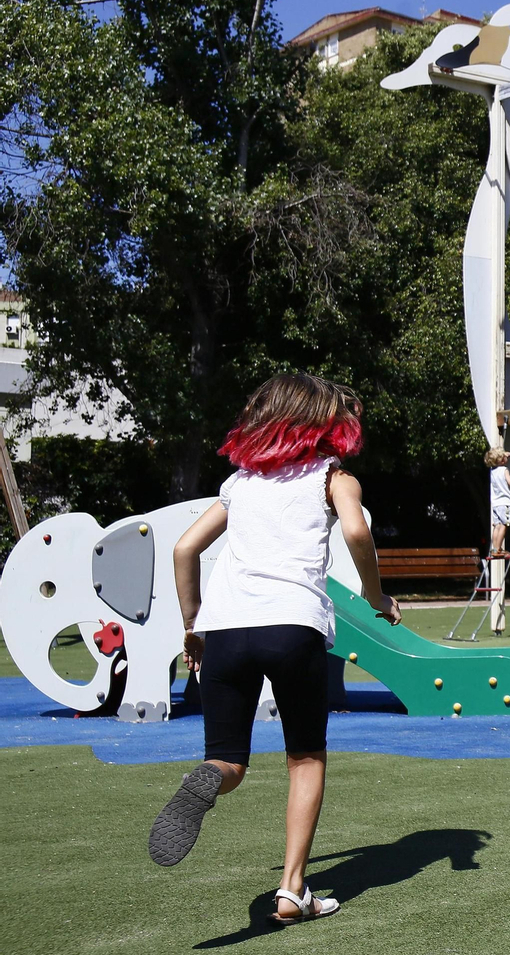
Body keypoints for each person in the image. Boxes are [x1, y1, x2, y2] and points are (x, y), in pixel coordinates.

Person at [149, 373, 402, 924]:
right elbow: (357, 535)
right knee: (305, 756)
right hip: (293, 627)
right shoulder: (334, 478)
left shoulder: (240, 484)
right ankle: (292, 890)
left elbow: (185, 548)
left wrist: (192, 626)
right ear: (330, 427)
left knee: (228, 758)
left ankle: (213, 777)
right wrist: (377, 597)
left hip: (225, 631)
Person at [485, 447, 510, 558]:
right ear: (501, 461)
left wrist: (503, 454)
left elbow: (498, 458)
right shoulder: (504, 470)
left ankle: (495, 548)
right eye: (504, 457)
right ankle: (498, 549)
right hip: (505, 503)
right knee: (504, 525)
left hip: (495, 504)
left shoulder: (492, 471)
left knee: (497, 526)